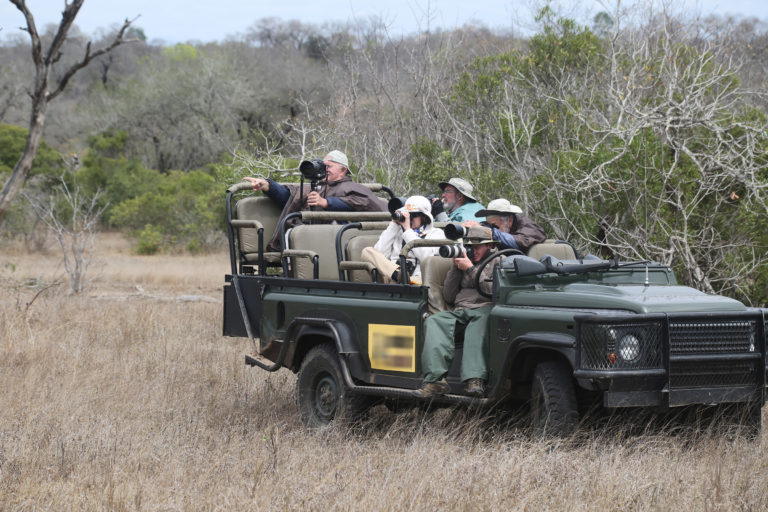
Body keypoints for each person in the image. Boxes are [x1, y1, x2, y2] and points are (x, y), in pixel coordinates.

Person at [413, 226, 502, 398]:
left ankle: (474, 379)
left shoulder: (500, 261)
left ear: (490, 246)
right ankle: (436, 381)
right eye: (470, 247)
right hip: (460, 310)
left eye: (477, 247)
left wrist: (470, 269)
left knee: (479, 323)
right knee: (434, 321)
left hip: (485, 309)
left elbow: (493, 291)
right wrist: (456, 268)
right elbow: (449, 295)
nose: (473, 251)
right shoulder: (464, 261)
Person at [242, 150, 386, 250]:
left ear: (343, 170)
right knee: (293, 232)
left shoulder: (353, 188)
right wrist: (267, 185)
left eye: (329, 166)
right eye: (323, 166)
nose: (324, 169)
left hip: (338, 242)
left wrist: (326, 203)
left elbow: (363, 203)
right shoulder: (315, 187)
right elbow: (290, 198)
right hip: (307, 240)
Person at [360, 196, 445, 285]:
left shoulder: (436, 233)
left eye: (414, 215)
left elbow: (426, 258)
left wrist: (408, 231)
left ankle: (401, 277)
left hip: (416, 280)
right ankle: (397, 275)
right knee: (367, 251)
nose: (410, 218)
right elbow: (381, 254)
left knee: (412, 279)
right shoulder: (398, 231)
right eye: (408, 214)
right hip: (391, 278)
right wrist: (393, 226)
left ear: (425, 217)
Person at [464, 198, 546, 253]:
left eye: (494, 225)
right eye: (490, 225)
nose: (492, 228)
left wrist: (485, 232)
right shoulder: (501, 226)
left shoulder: (527, 226)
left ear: (510, 221)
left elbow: (521, 242)